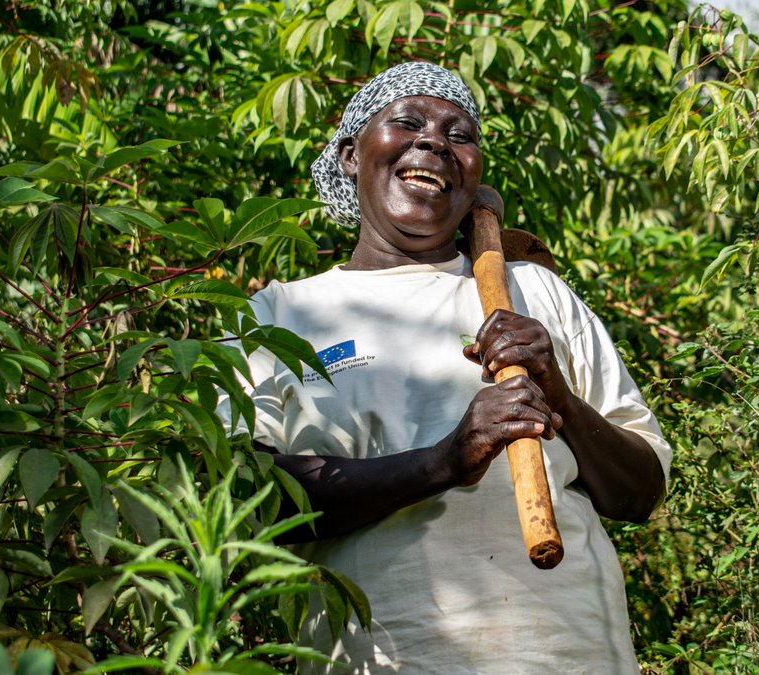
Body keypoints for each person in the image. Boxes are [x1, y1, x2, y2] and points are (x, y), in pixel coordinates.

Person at [218, 61, 671, 674]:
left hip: (571, 653)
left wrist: (556, 393)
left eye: (460, 134)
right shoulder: (281, 313)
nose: (434, 141)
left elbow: (640, 492)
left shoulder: (535, 290)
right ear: (352, 155)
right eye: (407, 122)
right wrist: (446, 460)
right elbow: (248, 499)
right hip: (379, 657)